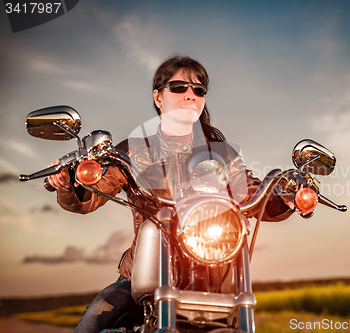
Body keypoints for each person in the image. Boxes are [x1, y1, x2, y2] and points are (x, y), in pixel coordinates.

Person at [47, 55, 309, 332]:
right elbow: (97, 190)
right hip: (145, 273)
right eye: (179, 87)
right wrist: (70, 186)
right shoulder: (135, 150)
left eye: (199, 90)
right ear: (158, 97)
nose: (190, 95)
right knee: (95, 319)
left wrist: (287, 195)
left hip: (213, 272)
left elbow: (251, 194)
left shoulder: (223, 153)